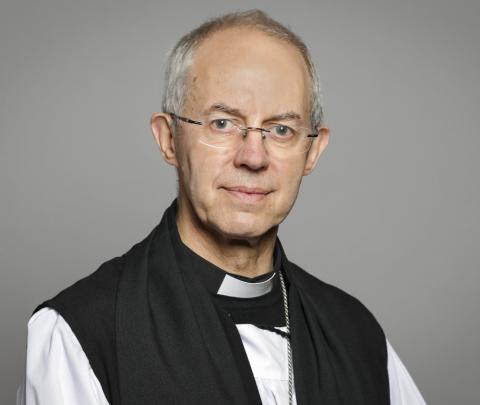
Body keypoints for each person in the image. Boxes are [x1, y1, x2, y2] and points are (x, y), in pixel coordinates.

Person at [16, 9, 427, 405]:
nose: (253, 156)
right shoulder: (82, 334)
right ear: (168, 139)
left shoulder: (358, 335)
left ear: (312, 151)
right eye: (223, 123)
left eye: (281, 129)